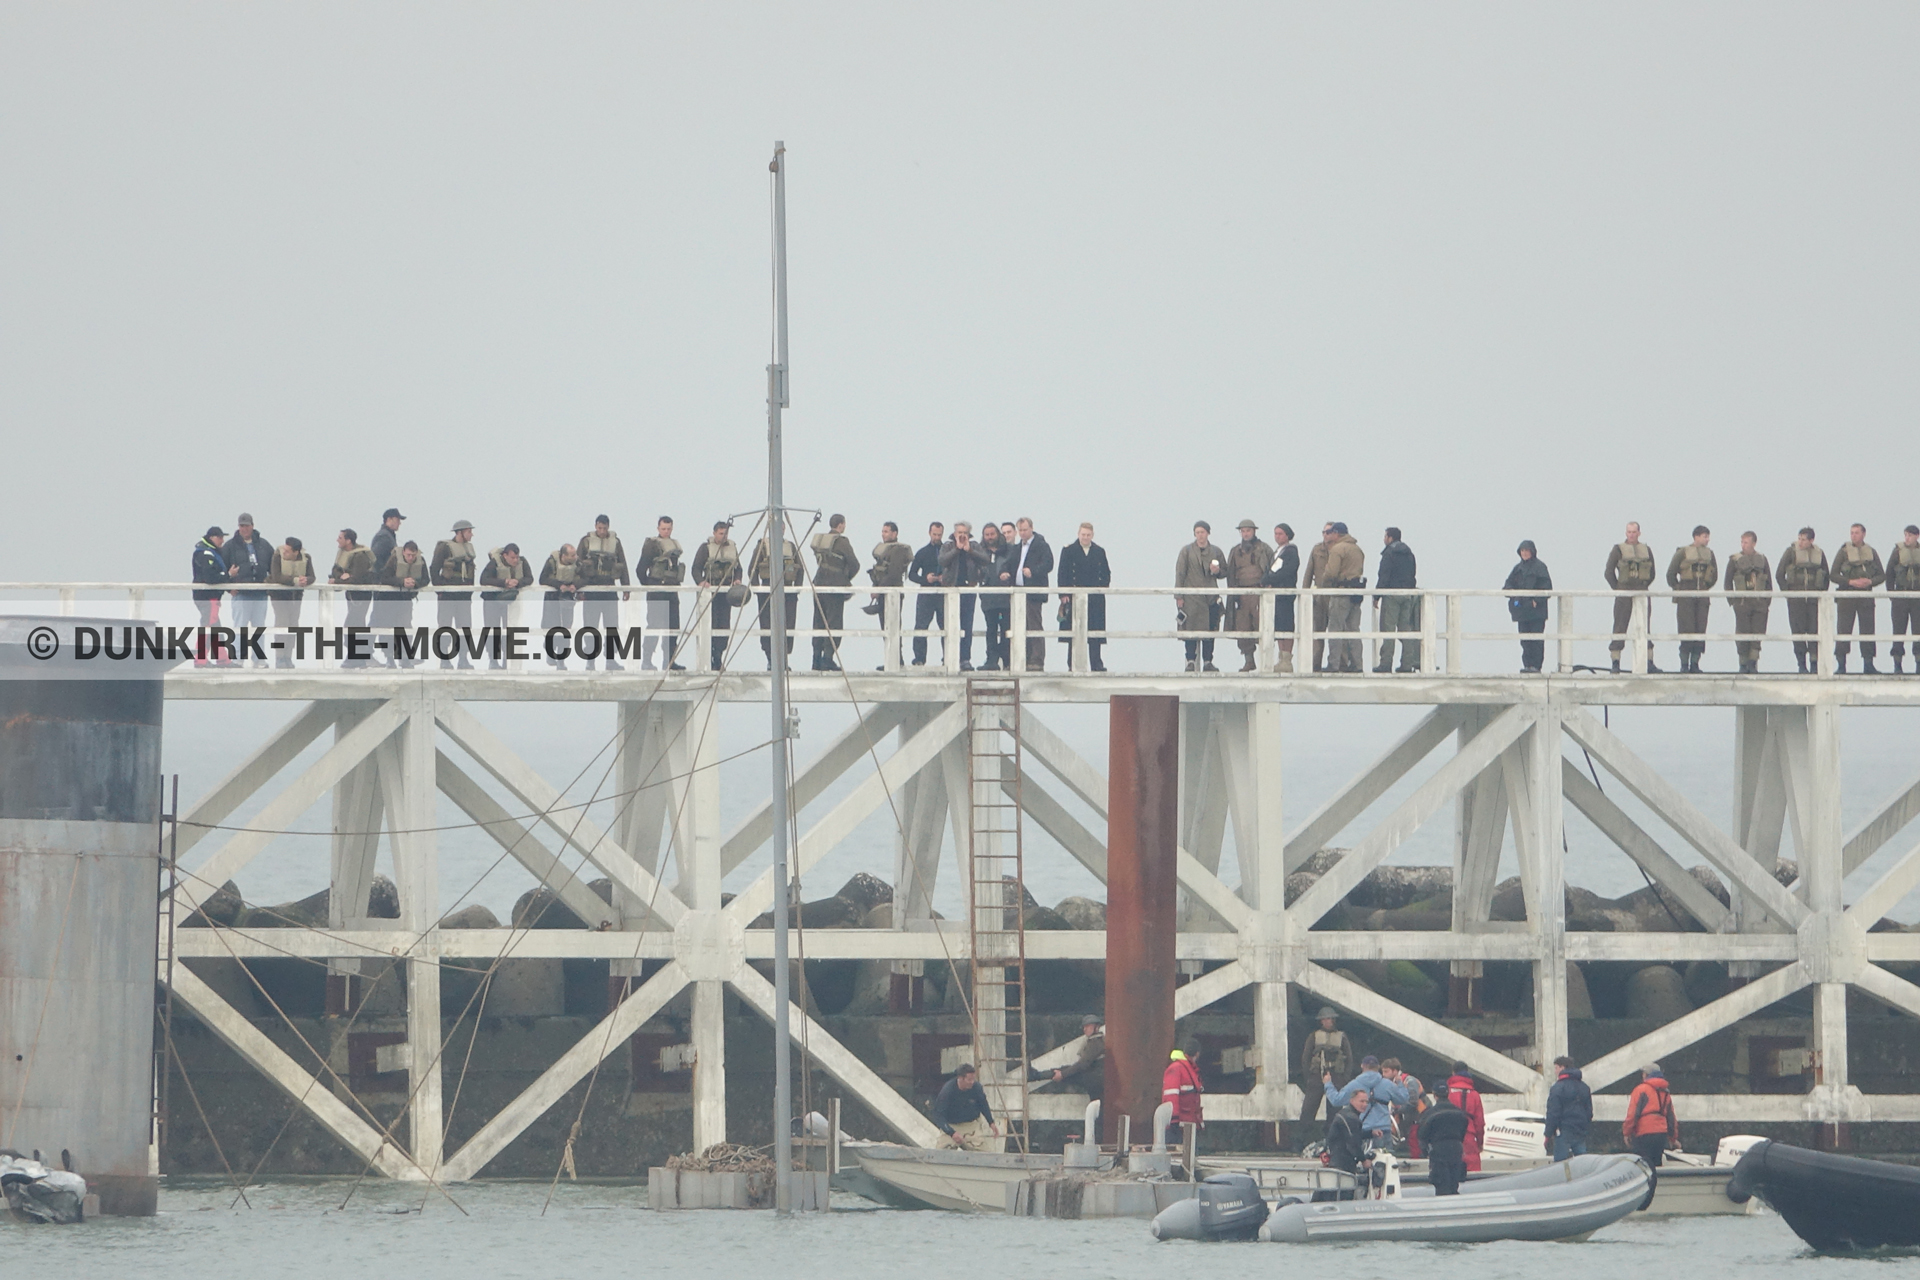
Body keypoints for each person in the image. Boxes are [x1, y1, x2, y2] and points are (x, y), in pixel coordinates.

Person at [1604, 521, 1660, 672]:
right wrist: (1618, 588)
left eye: (1634, 532)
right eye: (1629, 532)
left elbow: (1652, 572)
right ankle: (1615, 662)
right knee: (1620, 626)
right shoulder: (1618, 549)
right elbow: (1609, 572)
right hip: (1624, 591)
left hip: (1642, 590)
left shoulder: (1646, 550)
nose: (1631, 535)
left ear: (1639, 533)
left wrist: (1644, 584)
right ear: (1625, 533)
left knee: (1645, 627)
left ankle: (1649, 661)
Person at [576, 515, 631, 671]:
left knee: (612, 626)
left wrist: (626, 587)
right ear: (595, 526)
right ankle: (590, 660)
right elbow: (577, 565)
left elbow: (623, 564)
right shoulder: (586, 541)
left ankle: (610, 660)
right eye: (599, 528)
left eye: (604, 528)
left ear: (608, 527)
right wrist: (579, 589)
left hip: (609, 588)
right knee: (590, 627)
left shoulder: (616, 542)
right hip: (591, 589)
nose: (601, 531)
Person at [808, 514, 860, 673]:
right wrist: (845, 578)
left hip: (818, 584)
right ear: (841, 525)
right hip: (834, 587)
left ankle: (816, 658)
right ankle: (827, 659)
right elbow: (855, 564)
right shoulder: (841, 542)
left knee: (818, 621)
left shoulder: (821, 541)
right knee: (833, 622)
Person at [1057, 522, 1111, 672]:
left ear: (1092, 535)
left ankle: (1096, 664)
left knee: (1095, 632)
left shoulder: (1099, 551)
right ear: (1078, 534)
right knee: (1073, 632)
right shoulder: (1068, 551)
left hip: (1095, 599)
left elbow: (1106, 573)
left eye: (1088, 535)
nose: (1085, 537)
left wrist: (1101, 590)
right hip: (1073, 598)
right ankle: (1072, 663)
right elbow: (1062, 573)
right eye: (1083, 535)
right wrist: (1063, 594)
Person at [1323, 1054, 1408, 1149]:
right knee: (1386, 1161)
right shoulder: (1387, 1084)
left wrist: (1328, 1084)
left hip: (1364, 1132)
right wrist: (1400, 1083)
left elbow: (1336, 1100)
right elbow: (1403, 1099)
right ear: (1378, 1067)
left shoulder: (1354, 1085)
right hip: (1384, 1131)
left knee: (1364, 1162)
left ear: (1362, 1066)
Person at [1831, 523, 1884, 674]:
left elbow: (1882, 575)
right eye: (1852, 533)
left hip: (1865, 597)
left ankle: (1868, 664)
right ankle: (1841, 666)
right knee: (1843, 630)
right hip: (1847, 596)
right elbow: (1833, 574)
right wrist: (1850, 582)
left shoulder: (1871, 552)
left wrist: (1870, 582)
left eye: (1856, 533)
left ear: (1863, 534)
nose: (1853, 535)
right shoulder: (1843, 552)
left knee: (1868, 630)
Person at [1174, 521, 1227, 672]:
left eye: (1202, 532)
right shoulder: (1186, 551)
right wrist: (1179, 595)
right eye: (1197, 532)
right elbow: (1180, 573)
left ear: (1208, 533)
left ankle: (1208, 662)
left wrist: (1216, 571)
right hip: (1191, 597)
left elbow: (1225, 571)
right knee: (1190, 630)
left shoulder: (1216, 551)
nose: (1200, 535)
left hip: (1210, 597)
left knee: (1210, 630)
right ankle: (1190, 661)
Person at [937, 522, 989, 671]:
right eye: (959, 532)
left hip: (968, 589)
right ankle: (947, 656)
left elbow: (985, 559)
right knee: (949, 625)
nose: (961, 535)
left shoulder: (974, 546)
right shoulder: (947, 546)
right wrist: (957, 549)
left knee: (967, 625)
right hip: (950, 590)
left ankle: (965, 658)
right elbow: (942, 561)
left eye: (964, 532)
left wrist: (969, 550)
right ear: (954, 533)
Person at [1621, 1062, 1680, 1195]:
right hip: (1660, 1134)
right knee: (1656, 1166)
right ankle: (1657, 1194)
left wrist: (1627, 1132)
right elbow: (1671, 1117)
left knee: (1640, 1166)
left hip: (1644, 1133)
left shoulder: (1640, 1090)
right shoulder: (1665, 1092)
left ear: (1646, 1075)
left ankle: (1641, 1195)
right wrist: (1673, 1137)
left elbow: (1632, 1114)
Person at [1666, 526, 1718, 674]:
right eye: (1704, 536)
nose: (1707, 539)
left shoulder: (1710, 554)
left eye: (1707, 536)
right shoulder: (1682, 552)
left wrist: (1705, 586)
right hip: (1686, 592)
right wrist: (1678, 588)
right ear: (1696, 537)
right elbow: (1671, 573)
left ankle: (1695, 663)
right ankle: (1684, 663)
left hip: (1702, 593)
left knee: (1700, 628)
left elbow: (1714, 575)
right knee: (1686, 628)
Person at [690, 522, 741, 671]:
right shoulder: (705, 548)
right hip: (711, 591)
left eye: (725, 534)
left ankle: (718, 656)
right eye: (720, 533)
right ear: (714, 533)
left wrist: (737, 579)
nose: (723, 536)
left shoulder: (732, 548)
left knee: (724, 624)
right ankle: (712, 657)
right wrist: (701, 581)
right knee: (711, 622)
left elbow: (739, 568)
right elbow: (696, 568)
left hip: (726, 592)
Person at [750, 529, 803, 670]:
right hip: (768, 590)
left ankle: (784, 659)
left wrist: (796, 590)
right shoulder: (763, 546)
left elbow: (800, 569)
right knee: (768, 624)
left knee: (788, 624)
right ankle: (770, 658)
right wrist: (759, 591)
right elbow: (752, 569)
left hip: (788, 591)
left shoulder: (790, 546)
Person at [1778, 527, 1829, 673]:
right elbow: (1779, 574)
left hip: (1813, 599)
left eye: (1804, 539)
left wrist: (1821, 594)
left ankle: (1814, 664)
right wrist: (1788, 594)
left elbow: (1826, 575)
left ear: (1811, 540)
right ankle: (1801, 664)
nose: (1800, 542)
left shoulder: (1819, 554)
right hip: (1796, 599)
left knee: (1814, 631)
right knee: (1798, 632)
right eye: (1799, 538)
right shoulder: (1790, 552)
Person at [639, 517, 687, 672]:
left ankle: (670, 661)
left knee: (673, 626)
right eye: (663, 529)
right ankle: (647, 660)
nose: (666, 531)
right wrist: (650, 586)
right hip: (657, 591)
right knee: (654, 625)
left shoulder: (674, 545)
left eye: (669, 529)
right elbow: (640, 569)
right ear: (658, 528)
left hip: (672, 591)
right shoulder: (651, 545)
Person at [1226, 519, 1274, 673]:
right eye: (1243, 531)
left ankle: (1267, 663)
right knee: (1243, 628)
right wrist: (1233, 593)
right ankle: (1249, 661)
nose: (1245, 533)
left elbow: (1271, 569)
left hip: (1260, 594)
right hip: (1241, 594)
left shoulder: (1264, 549)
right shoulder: (1235, 551)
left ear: (1254, 531)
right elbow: (1230, 573)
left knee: (1263, 626)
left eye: (1248, 530)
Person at [430, 520, 479, 670]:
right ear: (460, 532)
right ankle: (444, 659)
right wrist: (440, 590)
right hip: (448, 595)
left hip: (463, 596)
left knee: (465, 628)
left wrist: (469, 593)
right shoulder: (444, 548)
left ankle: (463, 659)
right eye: (468, 531)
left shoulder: (469, 549)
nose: (471, 534)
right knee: (445, 627)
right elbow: (434, 569)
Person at [224, 514, 273, 666]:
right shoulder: (230, 546)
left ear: (252, 525)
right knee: (240, 627)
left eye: (247, 525)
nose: (244, 529)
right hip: (241, 594)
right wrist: (228, 586)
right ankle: (238, 659)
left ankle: (259, 659)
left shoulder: (264, 545)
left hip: (260, 594)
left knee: (259, 628)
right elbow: (223, 569)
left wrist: (270, 585)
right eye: (241, 526)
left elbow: (273, 567)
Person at [1724, 532, 1774, 674]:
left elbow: (1769, 582)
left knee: (1757, 633)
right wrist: (1733, 602)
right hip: (1742, 603)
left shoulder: (1762, 559)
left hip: (1759, 603)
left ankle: (1753, 663)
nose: (1743, 545)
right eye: (1742, 542)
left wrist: (1766, 602)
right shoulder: (1734, 560)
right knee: (1742, 633)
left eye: (1746, 542)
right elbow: (1727, 582)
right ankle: (1743, 664)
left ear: (1753, 543)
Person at [1321, 523, 1367, 673]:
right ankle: (1357, 664)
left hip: (1341, 593)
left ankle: (1333, 664)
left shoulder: (1338, 549)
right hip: (1356, 594)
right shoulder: (1357, 549)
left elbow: (1331, 573)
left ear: (1336, 534)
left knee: (1335, 629)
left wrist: (1324, 583)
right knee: (1353, 630)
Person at [1374, 526, 1419, 673]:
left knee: (1388, 631)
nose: (1383, 539)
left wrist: (1377, 596)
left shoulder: (1389, 554)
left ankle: (1386, 664)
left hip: (1392, 595)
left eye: (1385, 536)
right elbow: (1413, 575)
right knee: (1405, 629)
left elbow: (1384, 576)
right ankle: (1407, 664)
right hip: (1407, 595)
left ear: (1390, 538)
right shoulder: (1409, 553)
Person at [1297, 1007, 1354, 1125]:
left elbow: (1349, 1058)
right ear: (1321, 1021)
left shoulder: (1341, 1037)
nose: (1329, 1021)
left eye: (1331, 1019)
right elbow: (1306, 1057)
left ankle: (1332, 1140)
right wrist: (1308, 1077)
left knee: (1334, 1112)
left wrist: (1344, 1079)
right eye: (1326, 1019)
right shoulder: (1314, 1036)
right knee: (1308, 1110)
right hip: (1317, 1075)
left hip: (1336, 1076)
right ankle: (1302, 1140)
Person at [330, 529, 377, 666]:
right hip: (351, 596)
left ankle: (356, 657)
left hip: (361, 596)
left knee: (353, 624)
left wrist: (340, 580)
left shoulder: (360, 556)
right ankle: (357, 658)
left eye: (340, 537)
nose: (337, 540)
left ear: (348, 540)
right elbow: (335, 571)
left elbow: (357, 578)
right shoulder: (343, 554)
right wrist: (340, 577)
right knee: (356, 624)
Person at [478, 543, 530, 669]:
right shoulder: (494, 563)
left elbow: (529, 578)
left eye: (517, 557)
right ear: (505, 555)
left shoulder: (522, 563)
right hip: (492, 601)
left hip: (509, 603)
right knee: (492, 630)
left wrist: (518, 582)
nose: (515, 560)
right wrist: (504, 582)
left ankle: (507, 660)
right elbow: (483, 579)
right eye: (512, 558)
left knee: (509, 631)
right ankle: (493, 660)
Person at [265, 536, 314, 669]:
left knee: (293, 625)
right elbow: (276, 576)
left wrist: (306, 580)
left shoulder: (306, 558)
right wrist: (295, 580)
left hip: (295, 597)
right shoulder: (277, 556)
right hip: (279, 596)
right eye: (284, 549)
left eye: (288, 551)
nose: (284, 552)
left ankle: (288, 657)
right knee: (282, 623)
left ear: (296, 552)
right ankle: (279, 657)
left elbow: (312, 576)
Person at [1504, 541, 1552, 673]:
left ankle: (1536, 666)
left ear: (1532, 551)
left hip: (1536, 613)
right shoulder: (1517, 569)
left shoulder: (1540, 567)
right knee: (1525, 640)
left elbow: (1547, 587)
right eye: (1522, 551)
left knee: (1536, 639)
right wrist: (1513, 595)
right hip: (1522, 612)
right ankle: (1527, 665)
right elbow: (1507, 585)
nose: (1524, 553)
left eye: (1527, 550)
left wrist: (1536, 600)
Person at [1013, 517, 1054, 670]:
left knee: (1034, 624)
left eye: (1025, 530)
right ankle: (1024, 657)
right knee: (1020, 626)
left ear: (1031, 528)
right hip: (1018, 593)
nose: (1023, 533)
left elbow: (1049, 564)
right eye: (1020, 530)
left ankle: (1037, 659)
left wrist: (1033, 572)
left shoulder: (1041, 545)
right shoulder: (1018, 548)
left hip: (1033, 592)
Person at [863, 520, 914, 643]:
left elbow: (893, 573)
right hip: (882, 591)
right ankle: (889, 659)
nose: (883, 534)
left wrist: (879, 590)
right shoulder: (884, 549)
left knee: (893, 626)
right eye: (882, 531)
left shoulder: (898, 550)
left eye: (886, 531)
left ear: (894, 533)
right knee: (884, 627)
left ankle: (898, 659)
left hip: (893, 593)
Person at [380, 541, 429, 667]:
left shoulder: (421, 561)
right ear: (403, 553)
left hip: (406, 600)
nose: (411, 558)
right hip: (389, 600)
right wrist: (402, 582)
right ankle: (389, 658)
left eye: (413, 555)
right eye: (408, 555)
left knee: (406, 628)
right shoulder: (394, 560)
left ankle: (405, 657)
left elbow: (426, 579)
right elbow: (385, 577)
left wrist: (415, 584)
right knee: (388, 629)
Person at [931, 1064, 1001, 1151]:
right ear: (960, 1078)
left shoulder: (977, 1087)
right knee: (941, 1154)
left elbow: (983, 1105)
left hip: (971, 1126)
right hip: (952, 1125)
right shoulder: (947, 1091)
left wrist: (991, 1122)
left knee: (986, 1154)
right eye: (969, 1080)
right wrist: (951, 1133)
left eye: (973, 1079)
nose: (972, 1082)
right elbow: (938, 1115)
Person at [1415, 1092, 1471, 1195]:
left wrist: (1424, 1151)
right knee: (1454, 1183)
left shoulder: (1430, 1113)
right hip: (1456, 1148)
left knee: (1441, 1185)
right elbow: (1464, 1127)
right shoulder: (1459, 1112)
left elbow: (1422, 1134)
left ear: (1435, 1095)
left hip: (1439, 1149)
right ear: (1448, 1094)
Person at [907, 522, 946, 667]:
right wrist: (925, 579)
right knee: (921, 627)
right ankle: (919, 659)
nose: (936, 537)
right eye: (934, 534)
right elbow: (911, 574)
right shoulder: (923, 552)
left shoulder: (946, 551)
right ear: (929, 533)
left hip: (943, 594)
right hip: (926, 594)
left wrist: (945, 578)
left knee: (946, 627)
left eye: (939, 535)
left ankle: (947, 658)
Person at [190, 526, 230, 668]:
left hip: (210, 597)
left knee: (215, 627)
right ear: (212, 538)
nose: (222, 540)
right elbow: (210, 577)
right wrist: (228, 576)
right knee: (208, 625)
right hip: (207, 597)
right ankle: (200, 659)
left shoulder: (208, 552)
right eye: (219, 537)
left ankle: (222, 659)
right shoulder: (206, 553)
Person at [1032, 1014, 1105, 1091]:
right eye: (1084, 1027)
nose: (1084, 1029)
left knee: (1065, 1071)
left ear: (1096, 1027)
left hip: (1093, 1078)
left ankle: (1036, 1075)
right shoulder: (1093, 1041)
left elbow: (1083, 1064)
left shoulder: (1096, 1042)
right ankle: (1037, 1075)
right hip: (1091, 1076)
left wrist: (1062, 1074)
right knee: (1063, 1070)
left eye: (1088, 1026)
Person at [1320, 1089, 1370, 1200]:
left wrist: (1371, 1133)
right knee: (1345, 1193)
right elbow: (1353, 1142)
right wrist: (1364, 1160)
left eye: (1366, 1102)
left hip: (1336, 1159)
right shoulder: (1351, 1118)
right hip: (1342, 1162)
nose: (1365, 1104)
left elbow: (1353, 1134)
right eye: (1361, 1101)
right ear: (1352, 1101)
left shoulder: (1346, 1114)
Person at [1543, 1055, 1592, 1162]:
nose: (1555, 1071)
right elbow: (1589, 1112)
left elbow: (1553, 1113)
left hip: (1563, 1130)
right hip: (1580, 1130)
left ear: (1562, 1068)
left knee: (1560, 1164)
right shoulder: (1584, 1087)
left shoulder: (1557, 1088)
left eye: (1556, 1068)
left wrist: (1548, 1134)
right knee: (1582, 1162)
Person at [977, 522, 1013, 669]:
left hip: (1005, 598)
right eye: (987, 535)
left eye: (992, 534)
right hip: (988, 598)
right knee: (991, 629)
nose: (990, 537)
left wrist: (1008, 575)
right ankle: (991, 661)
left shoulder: (1010, 550)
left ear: (998, 534)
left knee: (1006, 630)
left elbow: (1014, 567)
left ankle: (1007, 660)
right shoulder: (979, 552)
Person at [538, 543, 579, 669]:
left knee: (565, 629)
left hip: (567, 599)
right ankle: (550, 653)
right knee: (550, 628)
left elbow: (584, 578)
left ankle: (561, 660)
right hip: (552, 599)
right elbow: (543, 579)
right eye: (572, 555)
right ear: (563, 556)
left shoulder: (578, 564)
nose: (575, 557)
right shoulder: (551, 562)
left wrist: (575, 585)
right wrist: (558, 585)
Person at [1266, 524, 1301, 673]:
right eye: (1275, 534)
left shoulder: (1291, 552)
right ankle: (1281, 658)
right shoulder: (1277, 552)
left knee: (1287, 624)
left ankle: (1287, 659)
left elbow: (1286, 570)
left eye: (1280, 534)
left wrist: (1269, 580)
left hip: (1285, 594)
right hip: (1276, 595)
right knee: (1278, 624)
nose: (1277, 536)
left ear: (1287, 535)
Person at [1303, 523, 1335, 672]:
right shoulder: (1317, 549)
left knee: (1337, 630)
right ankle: (1315, 664)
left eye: (1329, 532)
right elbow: (1309, 571)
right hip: (1319, 596)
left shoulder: (1341, 549)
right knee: (1317, 631)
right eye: (1324, 532)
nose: (1326, 535)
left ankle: (1338, 663)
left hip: (1335, 595)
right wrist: (1305, 593)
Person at [1443, 1062, 1485, 1171]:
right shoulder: (1475, 1095)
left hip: (1450, 1137)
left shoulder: (1447, 1093)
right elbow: (1479, 1123)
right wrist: (1480, 1143)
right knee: (1473, 1175)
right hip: (1469, 1138)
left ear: (1453, 1073)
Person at [1890, 525, 1920, 675]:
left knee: (1918, 632)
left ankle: (1918, 663)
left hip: (1917, 599)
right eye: (1905, 535)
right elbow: (1889, 573)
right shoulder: (1897, 552)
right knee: (1898, 631)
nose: (1907, 538)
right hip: (1901, 597)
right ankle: (1897, 663)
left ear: (1917, 536)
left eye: (1910, 535)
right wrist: (1892, 595)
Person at [1162, 1043, 1205, 1148]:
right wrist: (1174, 1120)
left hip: (1187, 1125)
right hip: (1179, 1126)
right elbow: (1171, 1095)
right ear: (1197, 1054)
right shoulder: (1180, 1069)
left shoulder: (1186, 1069)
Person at [369, 508, 406, 578]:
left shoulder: (387, 535)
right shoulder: (384, 537)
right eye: (397, 520)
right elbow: (375, 558)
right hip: (381, 580)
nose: (400, 523)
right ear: (389, 519)